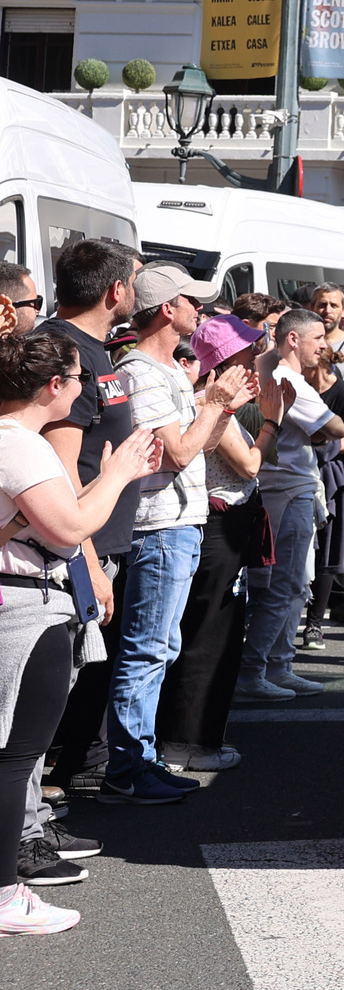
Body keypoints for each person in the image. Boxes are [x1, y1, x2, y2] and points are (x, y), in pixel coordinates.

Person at [2, 330, 165, 931]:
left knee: (16, 754)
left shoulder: (16, 440)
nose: (84, 388)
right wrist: (120, 472)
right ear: (54, 386)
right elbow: (70, 529)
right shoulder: (22, 444)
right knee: (16, 757)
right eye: (76, 377)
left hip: (23, 600)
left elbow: (57, 520)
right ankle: (4, 894)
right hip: (23, 606)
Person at [104, 267, 255, 801]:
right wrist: (214, 405)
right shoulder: (142, 371)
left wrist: (221, 407)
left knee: (159, 648)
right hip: (161, 528)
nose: (203, 311)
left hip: (179, 525)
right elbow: (178, 453)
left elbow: (201, 445)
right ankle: (128, 769)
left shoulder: (162, 370)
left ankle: (135, 761)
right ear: (168, 308)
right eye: (195, 301)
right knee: (147, 651)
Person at [36, 239, 141, 807]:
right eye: (134, 281)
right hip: (75, 547)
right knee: (52, 688)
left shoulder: (98, 350)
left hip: (102, 540)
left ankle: (66, 781)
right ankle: (31, 817)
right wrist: (90, 561)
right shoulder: (62, 352)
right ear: (115, 290)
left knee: (84, 678)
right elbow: (58, 467)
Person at [155, 310, 269, 775]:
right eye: (248, 352)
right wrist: (273, 423)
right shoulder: (210, 403)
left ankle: (195, 738)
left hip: (226, 528)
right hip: (217, 529)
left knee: (215, 632)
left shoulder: (220, 404)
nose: (257, 357)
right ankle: (189, 742)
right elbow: (249, 465)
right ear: (225, 360)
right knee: (209, 635)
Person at [240, 310, 343, 703]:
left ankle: (278, 665)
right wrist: (329, 428)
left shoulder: (277, 371)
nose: (325, 344)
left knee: (294, 585)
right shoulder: (287, 379)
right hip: (288, 493)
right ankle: (255, 671)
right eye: (318, 337)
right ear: (294, 340)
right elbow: (334, 426)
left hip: (291, 491)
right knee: (281, 587)